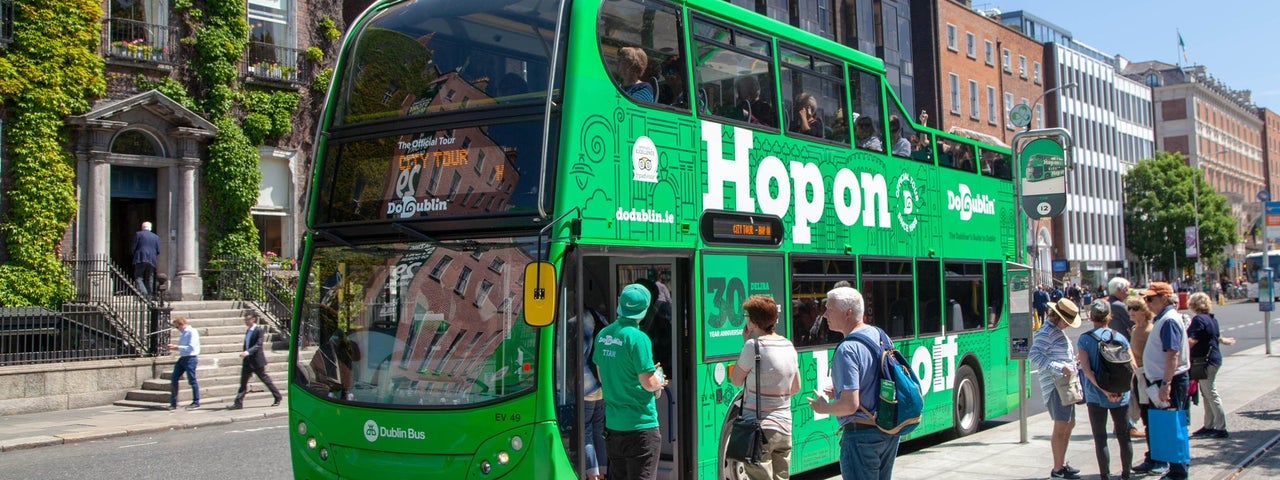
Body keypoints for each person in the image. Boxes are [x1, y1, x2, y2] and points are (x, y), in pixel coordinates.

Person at [807, 286, 899, 480]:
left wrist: (823, 408)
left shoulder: (847, 349)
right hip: (887, 432)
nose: (824, 315)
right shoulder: (880, 335)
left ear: (848, 313)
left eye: (830, 309)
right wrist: (840, 390)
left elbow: (850, 405)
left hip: (861, 437)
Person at [593, 283, 666, 480]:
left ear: (620, 305)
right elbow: (648, 383)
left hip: (613, 427)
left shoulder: (603, 335)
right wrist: (658, 379)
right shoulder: (638, 338)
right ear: (645, 309)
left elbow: (602, 377)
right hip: (640, 427)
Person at [729, 295, 799, 480]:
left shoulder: (752, 346)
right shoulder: (788, 345)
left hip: (759, 429)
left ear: (753, 322)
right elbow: (796, 387)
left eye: (746, 316)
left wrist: (746, 343)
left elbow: (736, 380)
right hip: (785, 427)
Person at [1133, 282, 1189, 479]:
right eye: (1146, 299)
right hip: (1162, 379)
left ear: (1164, 298)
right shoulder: (1164, 318)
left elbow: (1172, 354)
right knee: (1166, 425)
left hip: (1168, 380)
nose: (1147, 303)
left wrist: (1166, 383)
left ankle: (1178, 472)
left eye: (1150, 299)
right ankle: (1171, 466)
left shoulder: (1169, 320)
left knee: (1172, 425)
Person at [1077, 300, 1134, 480]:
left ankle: (1105, 476)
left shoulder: (1085, 339)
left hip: (1096, 396)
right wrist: (1120, 390)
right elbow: (1132, 366)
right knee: (1124, 436)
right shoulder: (1120, 337)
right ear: (1109, 316)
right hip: (1121, 395)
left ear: (1091, 316)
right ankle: (1126, 474)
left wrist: (1104, 391)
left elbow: (1087, 370)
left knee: (1100, 438)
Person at [1028, 298, 1083, 480]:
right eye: (1066, 322)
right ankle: (1058, 468)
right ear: (1058, 317)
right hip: (1056, 385)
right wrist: (1060, 367)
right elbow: (1034, 355)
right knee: (1062, 425)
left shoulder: (1055, 330)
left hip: (1065, 384)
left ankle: (1061, 463)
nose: (1067, 325)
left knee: (1068, 423)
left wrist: (1072, 362)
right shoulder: (1047, 332)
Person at [1187, 292, 1235, 439]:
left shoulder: (1198, 319)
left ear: (1193, 305)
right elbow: (1215, 336)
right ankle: (1209, 424)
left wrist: (1179, 352)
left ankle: (1221, 427)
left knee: (1210, 393)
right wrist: (1225, 340)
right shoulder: (1211, 319)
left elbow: (1193, 340)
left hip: (1205, 361)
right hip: (1213, 359)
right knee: (1207, 393)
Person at [228, 312, 283, 410]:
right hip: (247, 361)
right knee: (243, 382)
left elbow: (258, 345)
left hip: (257, 361)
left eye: (248, 319)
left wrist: (247, 352)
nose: (246, 321)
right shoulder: (248, 330)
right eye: (245, 320)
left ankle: (277, 396)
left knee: (265, 380)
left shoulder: (258, 330)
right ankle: (238, 403)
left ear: (253, 319)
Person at [580, 304, 609, 480]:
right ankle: (602, 473)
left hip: (586, 386)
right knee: (598, 430)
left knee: (586, 432)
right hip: (601, 385)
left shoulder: (578, 321)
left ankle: (593, 475)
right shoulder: (600, 319)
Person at [166, 316, 200, 410]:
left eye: (177, 327)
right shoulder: (184, 333)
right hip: (183, 358)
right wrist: (176, 348)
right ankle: (173, 403)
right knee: (174, 378)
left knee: (192, 380)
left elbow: (191, 347)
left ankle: (196, 401)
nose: (177, 329)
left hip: (191, 358)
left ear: (182, 324)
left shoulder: (192, 332)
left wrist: (177, 347)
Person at [132, 221, 161, 296]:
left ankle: (144, 293)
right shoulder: (156, 237)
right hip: (152, 260)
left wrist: (134, 254)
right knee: (150, 278)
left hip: (140, 258)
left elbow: (134, 247)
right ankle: (150, 296)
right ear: (150, 228)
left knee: (138, 277)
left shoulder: (138, 234)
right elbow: (158, 250)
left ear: (142, 227)